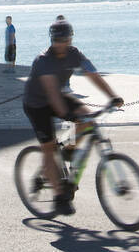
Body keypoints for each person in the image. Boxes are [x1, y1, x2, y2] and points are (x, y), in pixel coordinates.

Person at [22, 20, 123, 216]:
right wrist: (67, 115)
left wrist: (112, 96)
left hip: (57, 97)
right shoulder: (44, 60)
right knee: (49, 149)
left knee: (88, 120)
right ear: (52, 40)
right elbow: (51, 93)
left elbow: (93, 74)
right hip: (36, 105)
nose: (60, 43)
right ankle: (60, 198)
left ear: (70, 38)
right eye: (56, 40)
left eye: (64, 39)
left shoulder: (75, 54)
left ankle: (70, 148)